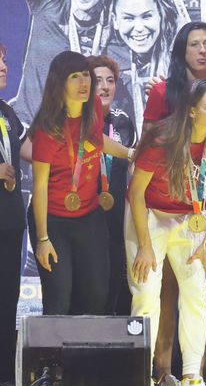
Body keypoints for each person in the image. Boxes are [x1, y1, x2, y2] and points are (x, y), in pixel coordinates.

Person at [127, 79, 206, 386]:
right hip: (149, 214)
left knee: (197, 292)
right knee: (147, 292)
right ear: (190, 111)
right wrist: (145, 245)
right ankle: (139, 377)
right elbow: (135, 193)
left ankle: (192, 378)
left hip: (191, 216)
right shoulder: (161, 140)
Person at [29, 51, 134, 315]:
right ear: (59, 83)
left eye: (85, 75)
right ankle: (54, 357)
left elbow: (97, 141)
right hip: (53, 220)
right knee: (59, 297)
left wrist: (130, 153)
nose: (84, 83)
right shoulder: (46, 128)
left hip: (89, 215)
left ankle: (87, 355)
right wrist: (43, 239)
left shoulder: (93, 108)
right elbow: (39, 186)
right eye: (74, 77)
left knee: (97, 294)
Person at [89, 55, 137, 316]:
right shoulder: (75, 120)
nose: (105, 87)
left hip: (117, 218)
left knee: (115, 288)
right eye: (98, 81)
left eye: (110, 80)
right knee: (90, 290)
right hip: (84, 216)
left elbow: (132, 166)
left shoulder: (123, 121)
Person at [106, 0, 176, 131]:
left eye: (146, 16)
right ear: (115, 20)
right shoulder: (107, 63)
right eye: (128, 18)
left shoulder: (181, 57)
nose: (139, 28)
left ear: (160, 14)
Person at [0, 43, 26, 386]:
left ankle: (5, 375)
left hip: (8, 221)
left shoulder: (8, 112)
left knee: (7, 297)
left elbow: (29, 149)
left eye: (4, 59)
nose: (4, 66)